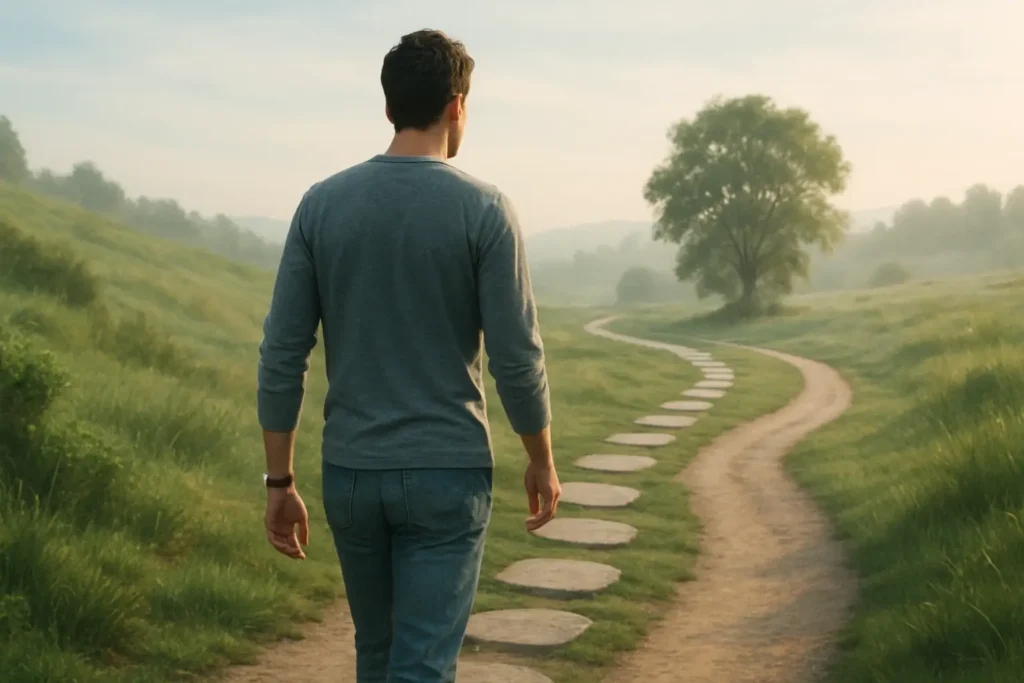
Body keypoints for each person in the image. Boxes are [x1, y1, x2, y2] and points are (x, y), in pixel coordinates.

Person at [256, 28, 562, 683]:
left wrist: (278, 482)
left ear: (390, 107)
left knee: (378, 653)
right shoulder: (484, 210)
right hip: (447, 473)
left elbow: (283, 353)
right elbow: (516, 356)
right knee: (421, 665)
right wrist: (540, 459)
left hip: (352, 472)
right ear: (457, 105)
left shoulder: (321, 205)